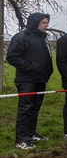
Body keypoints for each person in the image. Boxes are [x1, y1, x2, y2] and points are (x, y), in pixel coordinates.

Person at [6, 13, 54, 150]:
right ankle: (21, 139)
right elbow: (12, 56)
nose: (46, 25)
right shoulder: (22, 37)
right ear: (35, 22)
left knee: (35, 108)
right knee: (25, 109)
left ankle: (31, 134)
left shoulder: (43, 38)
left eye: (47, 22)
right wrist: (29, 67)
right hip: (26, 80)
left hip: (41, 79)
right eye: (44, 22)